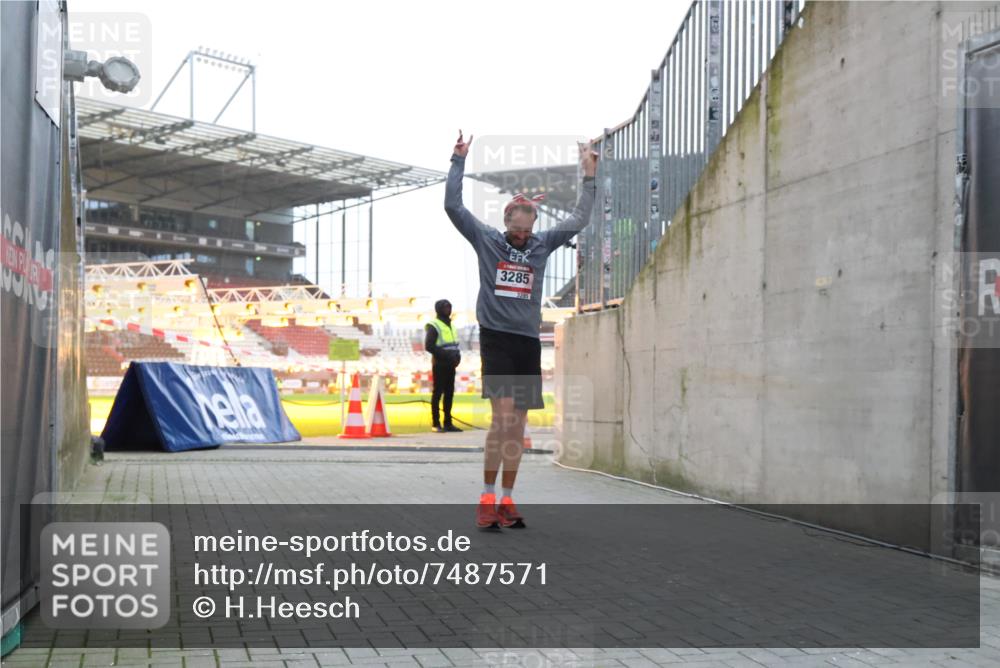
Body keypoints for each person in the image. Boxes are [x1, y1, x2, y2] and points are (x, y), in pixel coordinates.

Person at [444, 130, 598, 529]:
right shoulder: (488, 241)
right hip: (496, 339)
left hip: (528, 342)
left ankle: (507, 500)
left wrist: (588, 176)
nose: (524, 237)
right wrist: (458, 160)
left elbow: (580, 218)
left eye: (529, 231)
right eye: (518, 230)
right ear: (506, 222)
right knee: (502, 420)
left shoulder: (541, 245)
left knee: (518, 426)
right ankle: (486, 498)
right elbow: (453, 206)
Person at [425, 298, 462, 433]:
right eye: (445, 307)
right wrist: (447, 355)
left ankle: (448, 423)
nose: (448, 310)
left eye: (449, 307)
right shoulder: (434, 325)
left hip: (451, 364)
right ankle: (436, 423)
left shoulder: (451, 325)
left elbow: (454, 344)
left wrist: (457, 357)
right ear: (439, 309)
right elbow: (429, 346)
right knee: (438, 393)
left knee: (449, 394)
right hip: (440, 364)